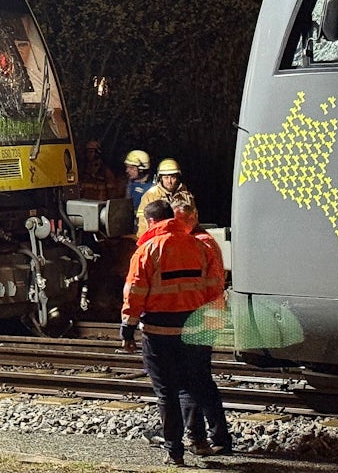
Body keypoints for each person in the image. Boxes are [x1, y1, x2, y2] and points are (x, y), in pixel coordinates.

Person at [121, 199, 230, 465]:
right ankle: (199, 439)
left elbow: (135, 291)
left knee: (166, 393)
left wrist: (128, 327)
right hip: (194, 329)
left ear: (150, 221)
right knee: (191, 386)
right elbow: (211, 287)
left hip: (159, 333)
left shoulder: (146, 250)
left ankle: (175, 452)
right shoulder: (198, 246)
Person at [172, 200, 229, 456]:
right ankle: (214, 436)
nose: (180, 224)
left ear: (194, 216)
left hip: (200, 319)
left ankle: (205, 437)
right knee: (200, 381)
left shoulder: (199, 244)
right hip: (206, 317)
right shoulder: (202, 242)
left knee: (193, 381)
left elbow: (204, 285)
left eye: (184, 219)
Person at [136, 158, 194, 236]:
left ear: (177, 178)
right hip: (158, 238)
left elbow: (193, 220)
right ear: (160, 178)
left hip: (181, 238)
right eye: (166, 177)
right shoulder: (150, 196)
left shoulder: (186, 196)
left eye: (172, 177)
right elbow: (143, 224)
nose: (169, 181)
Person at [124, 149, 154, 224]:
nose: (127, 170)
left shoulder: (152, 188)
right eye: (127, 167)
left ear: (141, 169)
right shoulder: (130, 184)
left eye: (131, 168)